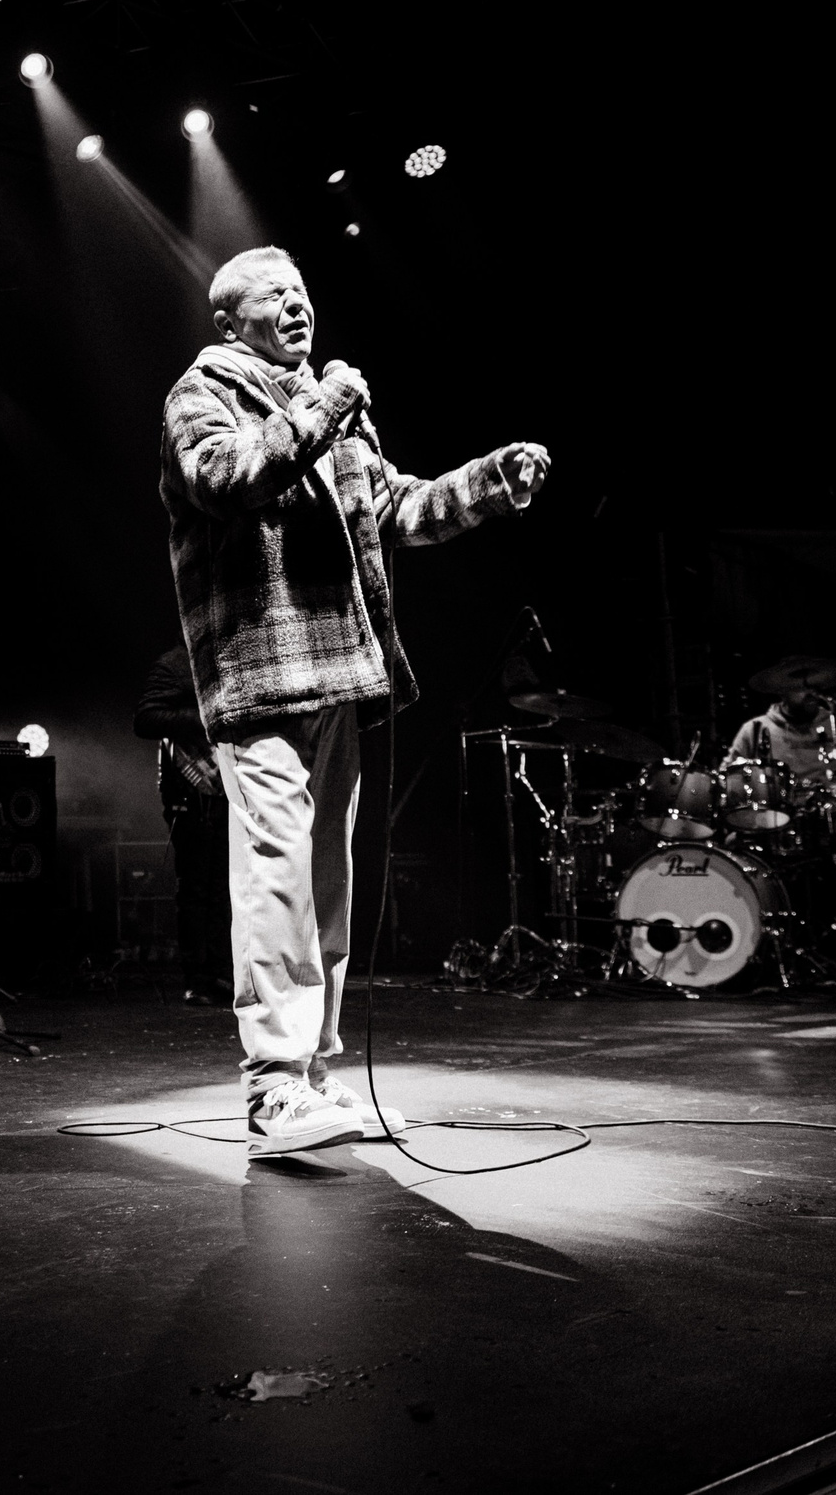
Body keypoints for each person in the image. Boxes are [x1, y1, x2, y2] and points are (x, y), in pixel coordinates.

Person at [161, 245, 548, 1158]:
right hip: (260, 673)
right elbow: (231, 479)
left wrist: (490, 480)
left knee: (325, 880)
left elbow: (400, 510)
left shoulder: (328, 412)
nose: (297, 308)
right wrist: (328, 405)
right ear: (230, 322)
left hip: (337, 671)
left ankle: (316, 1078)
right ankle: (271, 1090)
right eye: (273, 297)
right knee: (274, 875)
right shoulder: (202, 392)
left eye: (302, 294)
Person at [135, 644, 228, 1003]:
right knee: (195, 891)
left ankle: (223, 974)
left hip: (229, 789)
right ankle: (198, 979)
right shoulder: (174, 663)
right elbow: (145, 719)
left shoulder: (229, 659)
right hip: (189, 790)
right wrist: (205, 717)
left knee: (225, 889)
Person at [729, 660, 836, 791]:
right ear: (782, 692)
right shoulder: (755, 729)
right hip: (777, 813)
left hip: (831, 810)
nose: (810, 693)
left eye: (814, 686)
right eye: (800, 687)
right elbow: (730, 776)